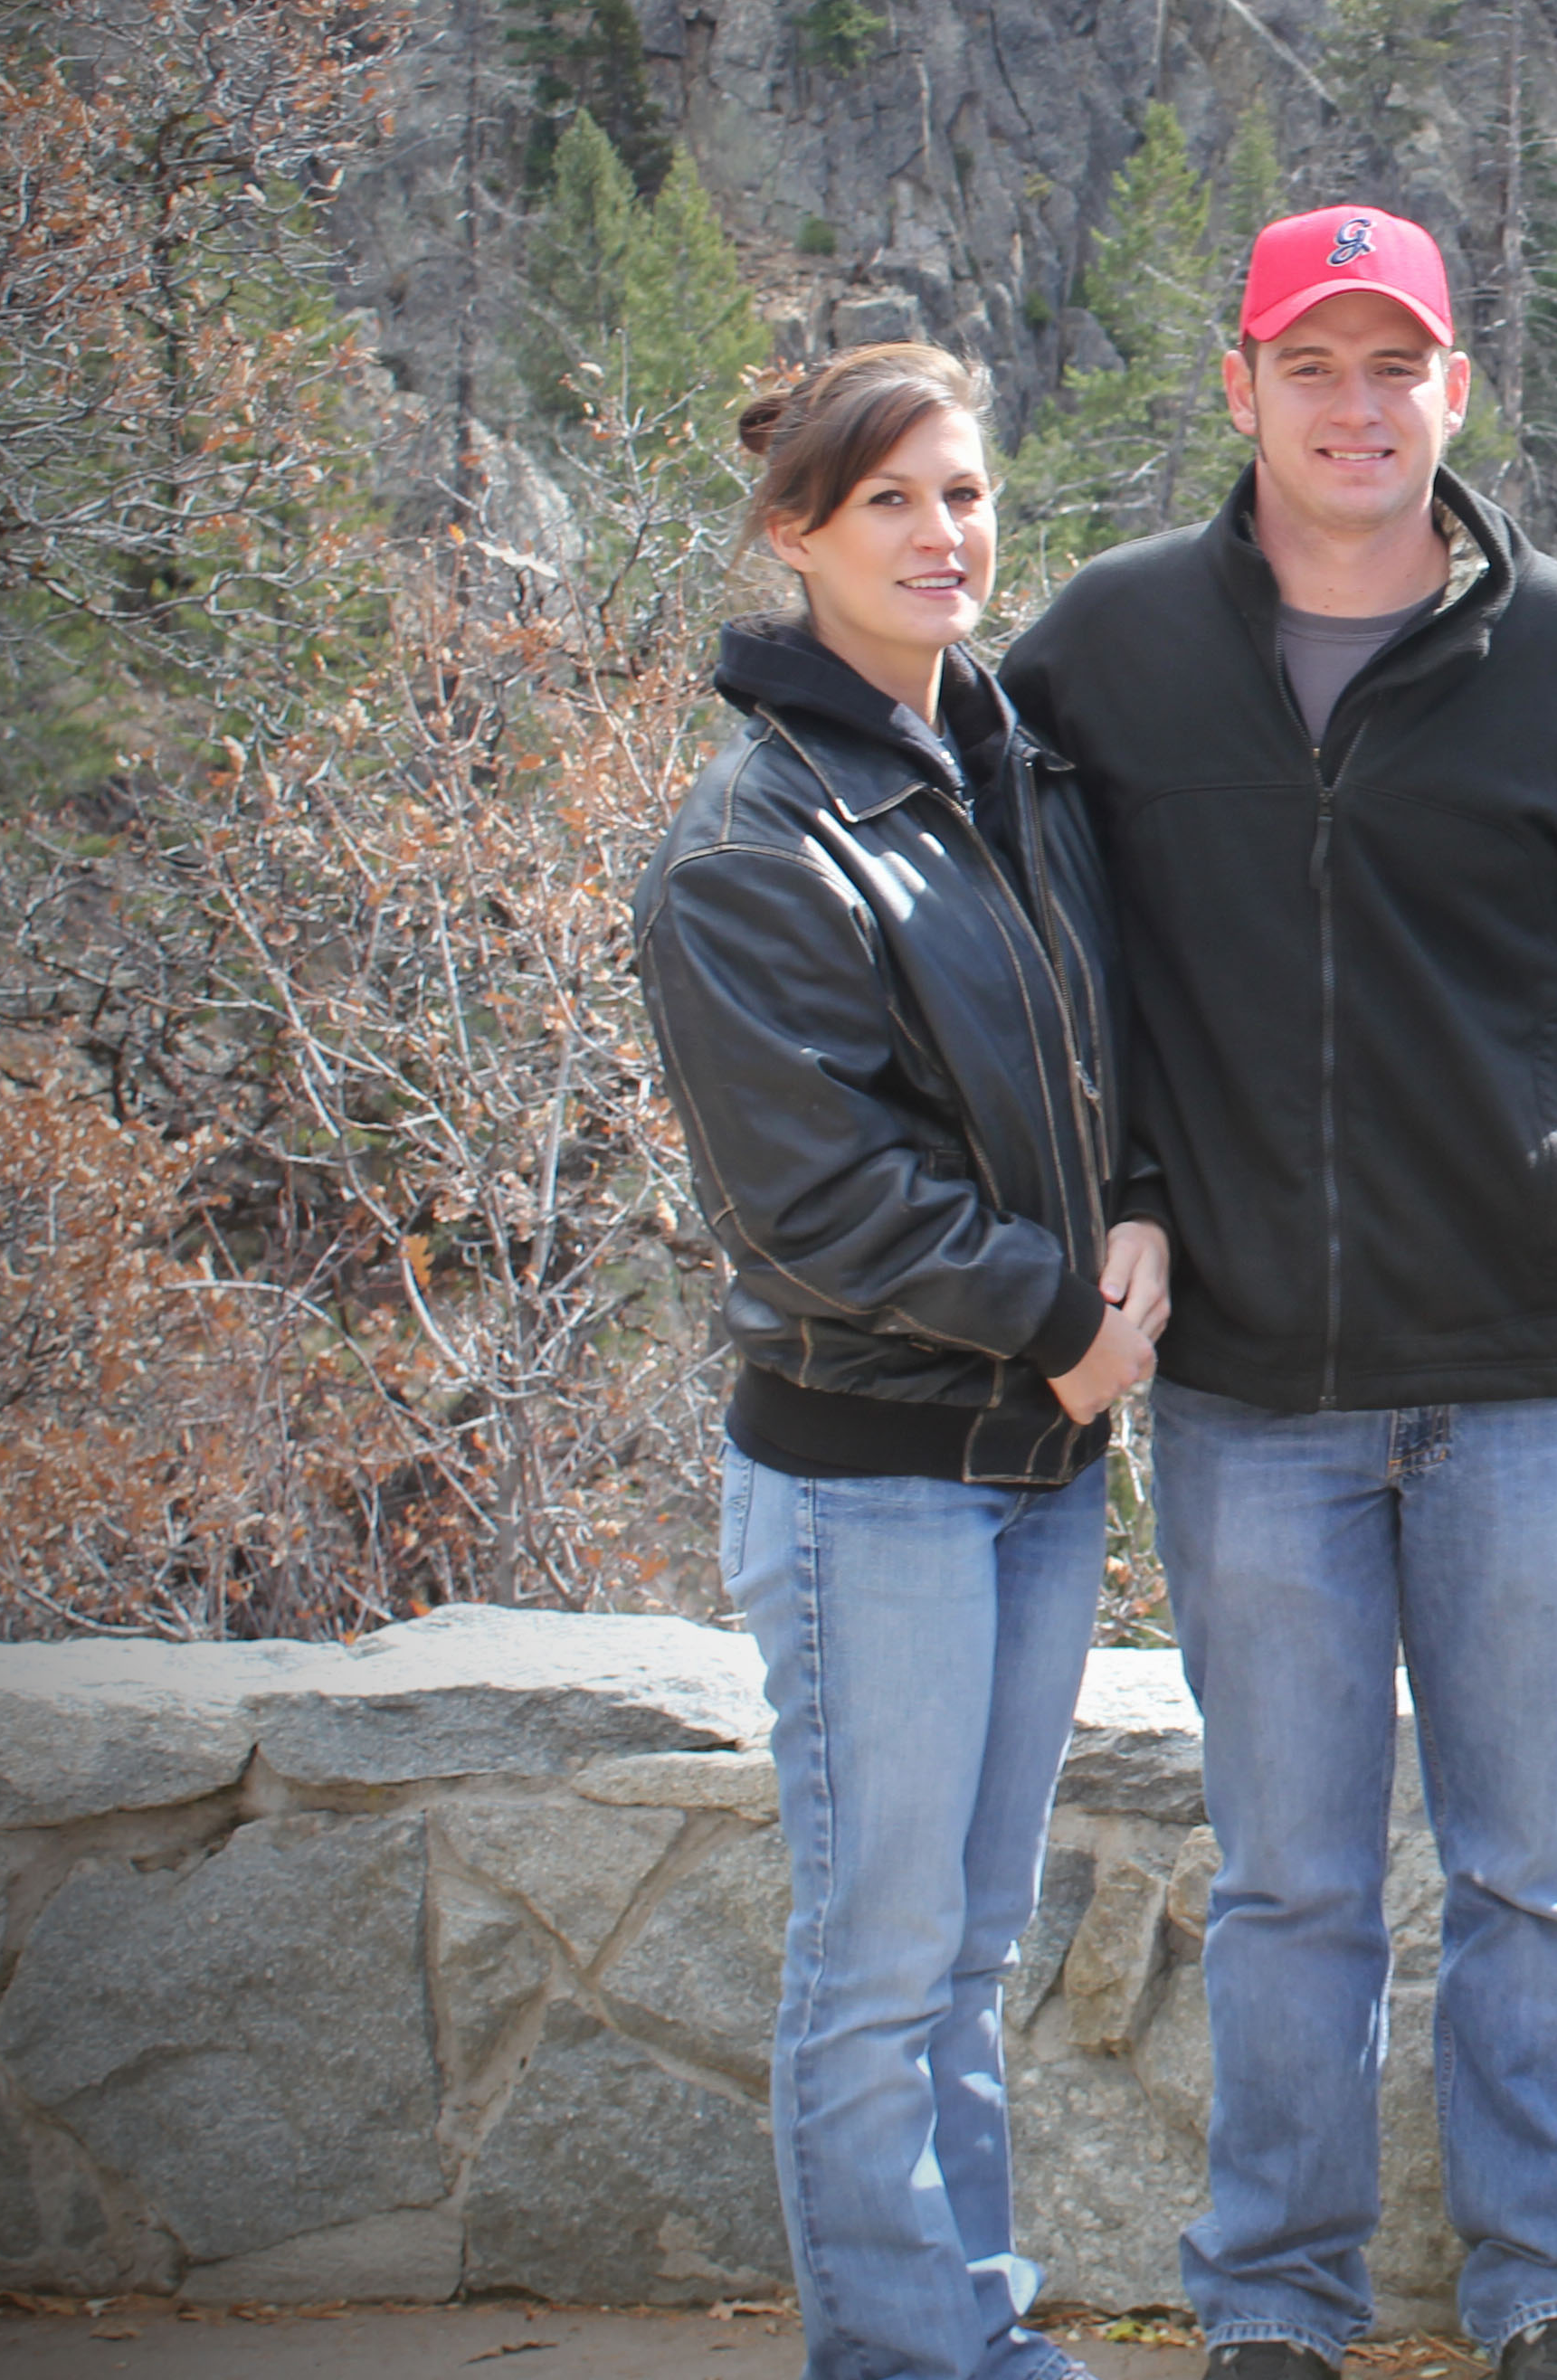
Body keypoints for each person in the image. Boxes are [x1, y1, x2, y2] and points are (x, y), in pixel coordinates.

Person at [1001, 204, 1557, 2380]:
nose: (1353, 404)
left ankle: (1553, 2285)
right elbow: (1044, 968)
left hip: (1525, 1367)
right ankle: (1276, 2303)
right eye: (1308, 363)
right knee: (1290, 1880)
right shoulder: (1106, 653)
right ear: (1239, 389)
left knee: (1532, 1868)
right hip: (1249, 1383)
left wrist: (1512, 1152)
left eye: (1393, 363)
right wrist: (1139, 1187)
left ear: (1454, 391)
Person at [632, 343, 1172, 2380]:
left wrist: (1139, 1207)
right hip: (876, 1479)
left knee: (966, 1947)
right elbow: (817, 1204)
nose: (945, 535)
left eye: (965, 492)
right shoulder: (753, 846)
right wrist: (1064, 1325)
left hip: (1033, 1464)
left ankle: (974, 2335)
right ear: (795, 533)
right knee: (877, 1960)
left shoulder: (1009, 771)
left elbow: (1100, 1044)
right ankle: (901, 2357)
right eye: (892, 502)